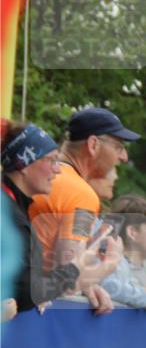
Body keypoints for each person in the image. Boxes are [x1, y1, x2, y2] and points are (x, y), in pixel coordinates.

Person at [1, 120, 120, 314]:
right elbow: (27, 290)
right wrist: (98, 268)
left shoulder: (18, 207)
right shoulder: (83, 195)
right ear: (24, 163)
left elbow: (28, 281)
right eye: (51, 160)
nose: (57, 169)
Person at [29, 108, 139, 272]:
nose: (124, 157)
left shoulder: (36, 172)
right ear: (93, 145)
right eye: (118, 147)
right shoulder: (80, 194)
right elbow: (68, 273)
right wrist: (109, 263)